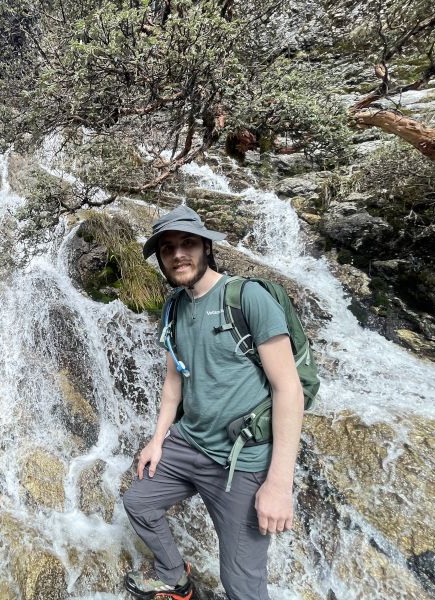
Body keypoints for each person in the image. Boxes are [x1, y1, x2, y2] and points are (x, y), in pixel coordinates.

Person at [122, 205, 304, 600]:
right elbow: (174, 379)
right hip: (188, 444)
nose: (177, 254)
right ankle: (173, 574)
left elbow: (289, 389)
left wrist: (279, 483)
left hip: (240, 462)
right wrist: (158, 440)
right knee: (138, 502)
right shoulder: (173, 307)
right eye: (167, 248)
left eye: (187, 243)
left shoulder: (247, 298)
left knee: (241, 582)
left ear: (206, 246)